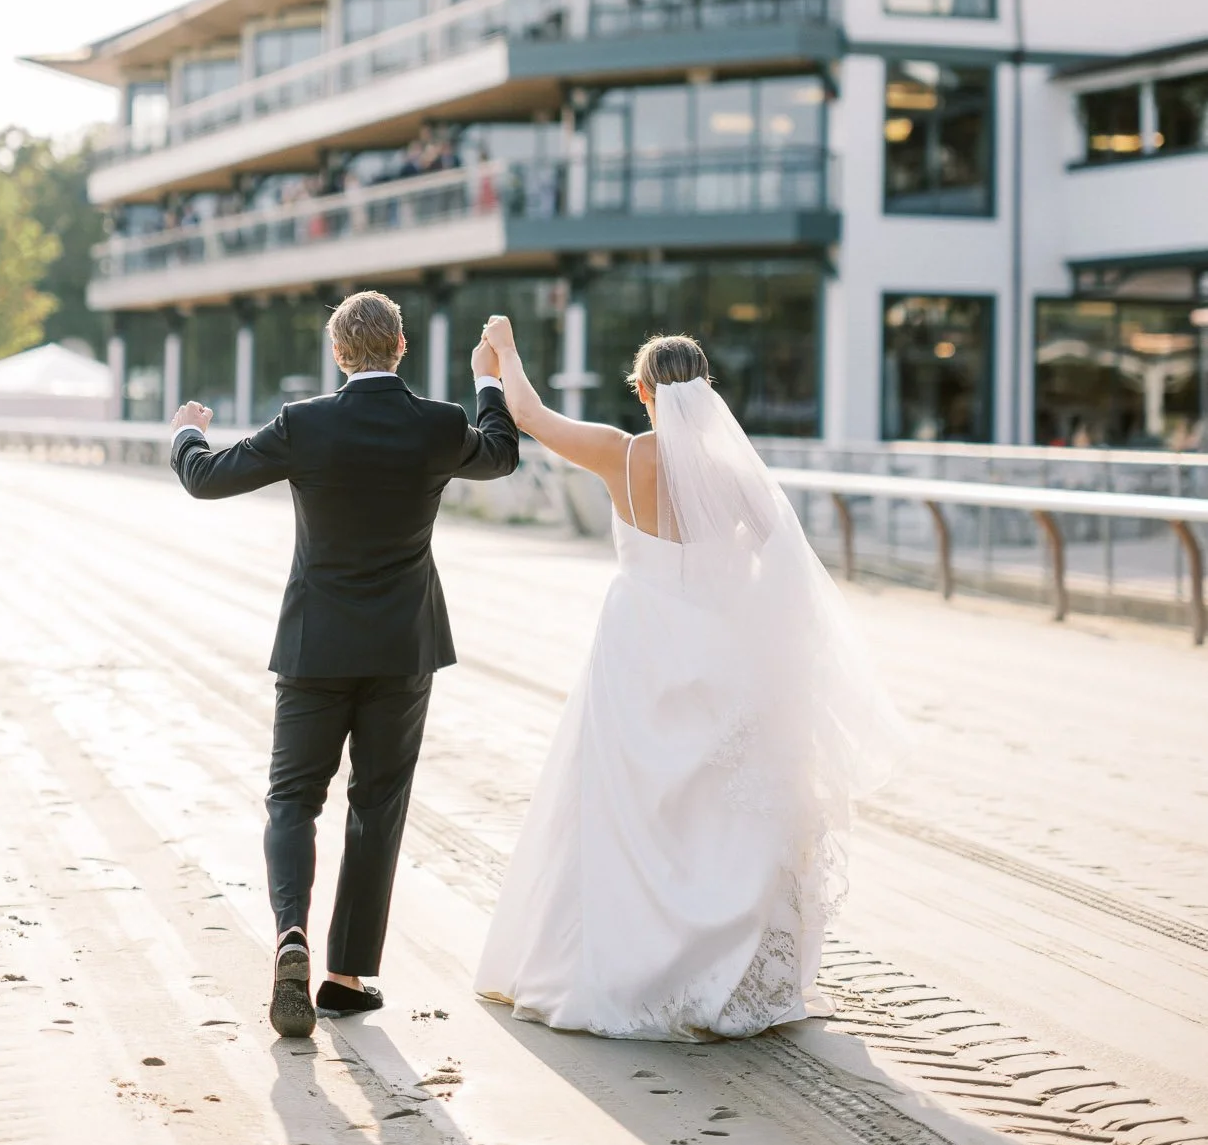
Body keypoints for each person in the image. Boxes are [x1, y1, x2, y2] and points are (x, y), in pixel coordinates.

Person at [474, 318, 905, 1041]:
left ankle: (626, 964)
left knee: (624, 807)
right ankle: (721, 971)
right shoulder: (733, 474)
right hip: (718, 645)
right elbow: (785, 561)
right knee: (717, 815)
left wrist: (502, 355)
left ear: (641, 391)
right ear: (707, 392)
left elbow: (528, 417)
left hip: (637, 644)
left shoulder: (620, 453)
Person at [169, 289, 520, 1039]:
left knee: (293, 798)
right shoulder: (437, 424)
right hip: (403, 649)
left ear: (338, 354)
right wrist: (488, 380)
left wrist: (188, 434)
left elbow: (206, 478)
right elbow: (502, 456)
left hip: (314, 646)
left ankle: (290, 933)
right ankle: (346, 976)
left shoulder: (305, 424)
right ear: (400, 348)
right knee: (376, 806)